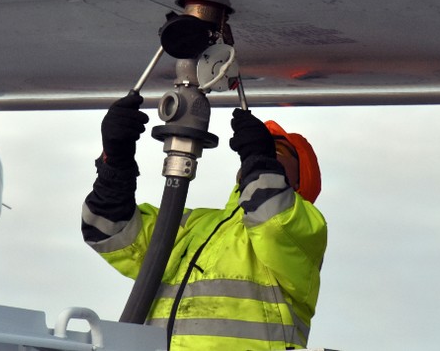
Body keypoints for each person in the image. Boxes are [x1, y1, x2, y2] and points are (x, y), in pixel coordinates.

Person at [81, 93, 328, 350]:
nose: (267, 154)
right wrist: (116, 159)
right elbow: (106, 229)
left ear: (301, 180)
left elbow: (272, 220)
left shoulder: (306, 229)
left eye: (278, 150)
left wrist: (260, 159)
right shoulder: (195, 225)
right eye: (266, 150)